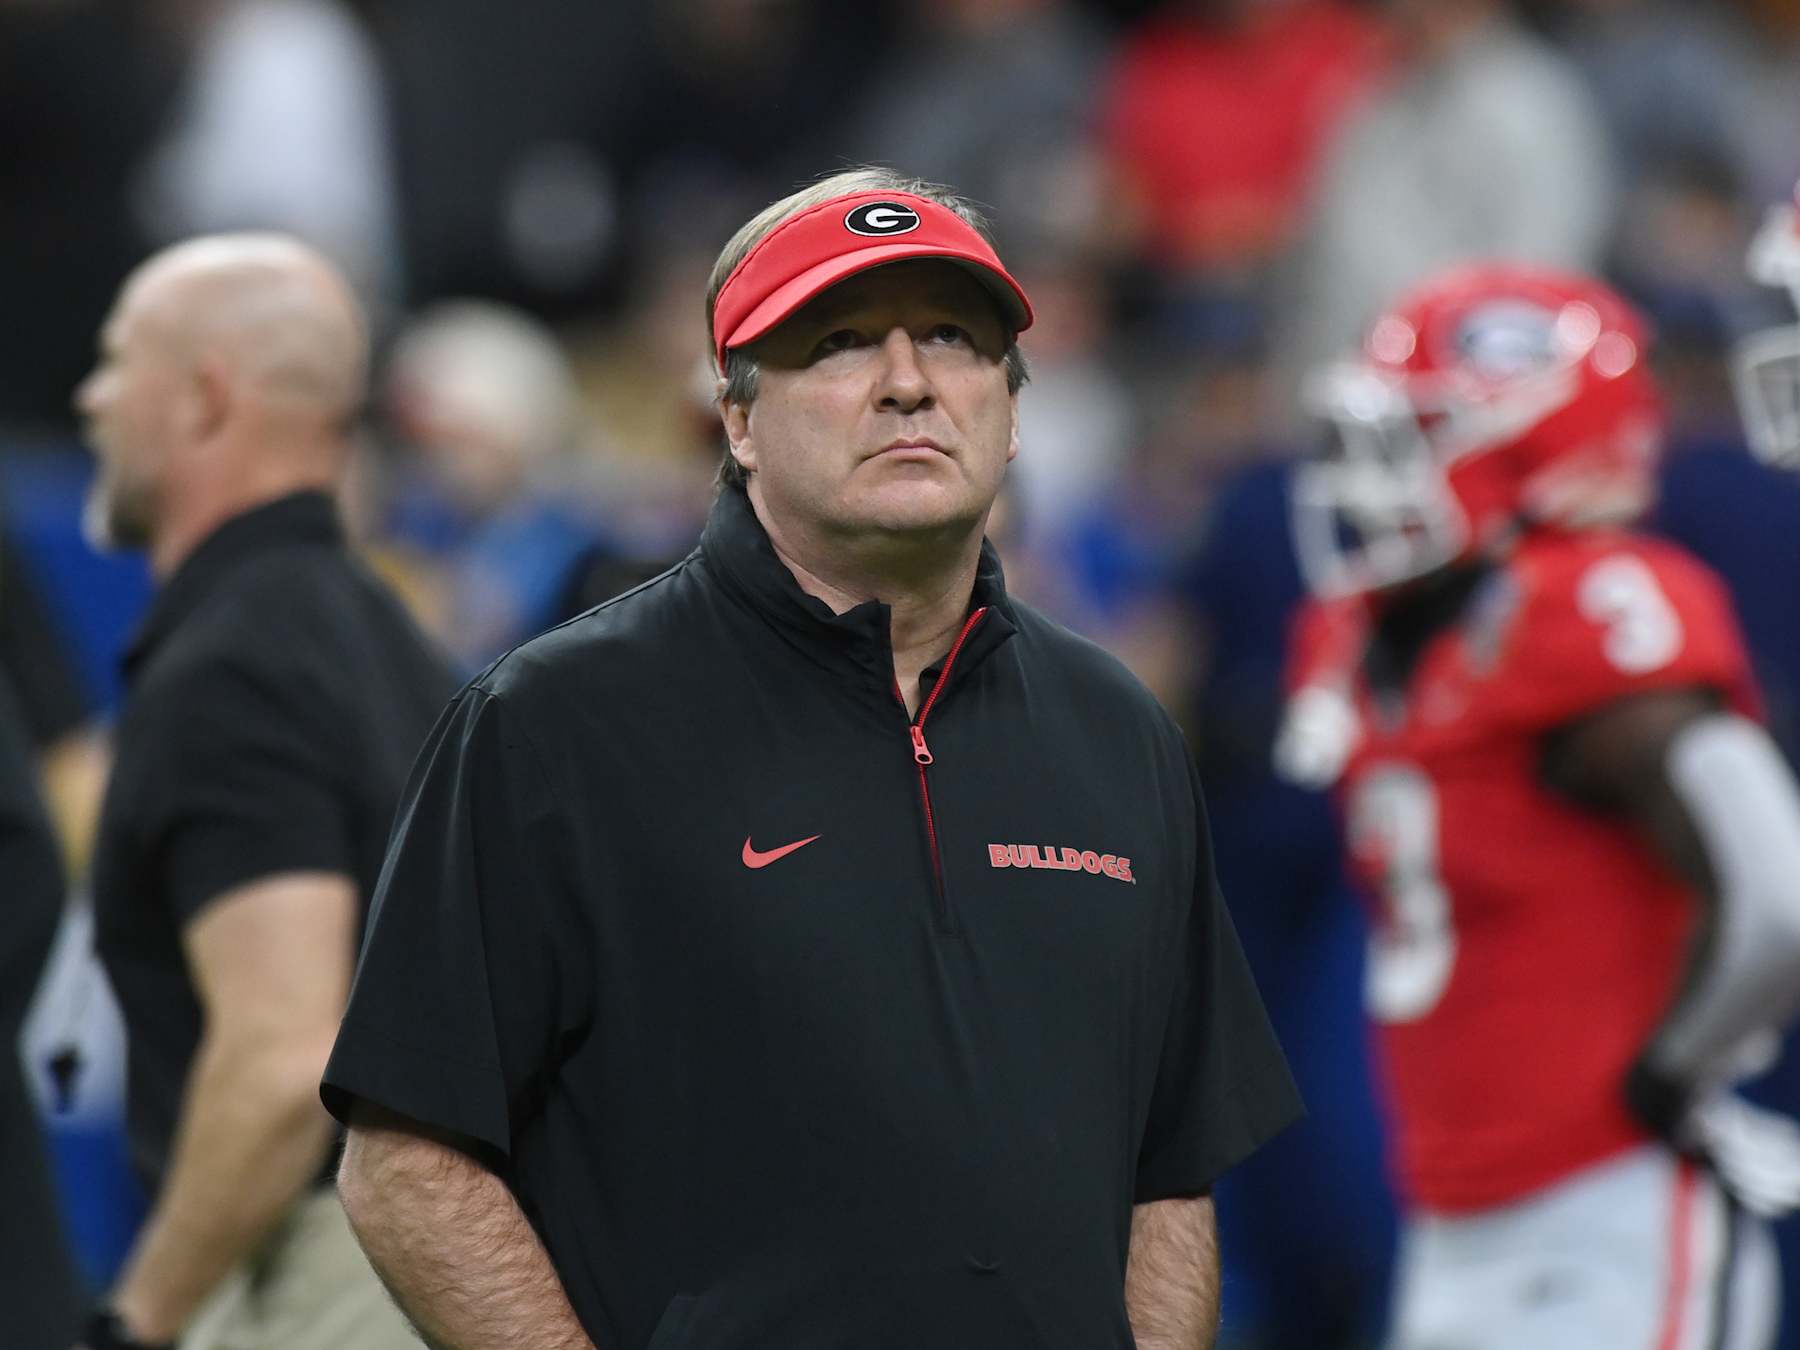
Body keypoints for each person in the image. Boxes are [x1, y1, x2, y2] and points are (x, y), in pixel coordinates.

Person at [321, 167, 1303, 1350]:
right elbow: (406, 1165)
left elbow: (1168, 1168)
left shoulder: (1117, 728)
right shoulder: (553, 725)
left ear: (1012, 403)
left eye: (954, 337)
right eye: (840, 343)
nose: (908, 383)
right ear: (738, 418)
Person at [1277, 263, 1800, 1348]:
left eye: (1417, 435)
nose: (1376, 474)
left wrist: (1668, 1077)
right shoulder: (1362, 632)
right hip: (1450, 1216)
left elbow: (1776, 897)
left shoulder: (1590, 606)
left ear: (1532, 444)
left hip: (1609, 1204)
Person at [73, 233, 455, 1350]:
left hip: (320, 1281)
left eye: (114, 361)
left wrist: (139, 1318)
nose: (92, 400)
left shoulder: (236, 665)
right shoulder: (386, 639)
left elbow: (287, 1061)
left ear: (202, 399)